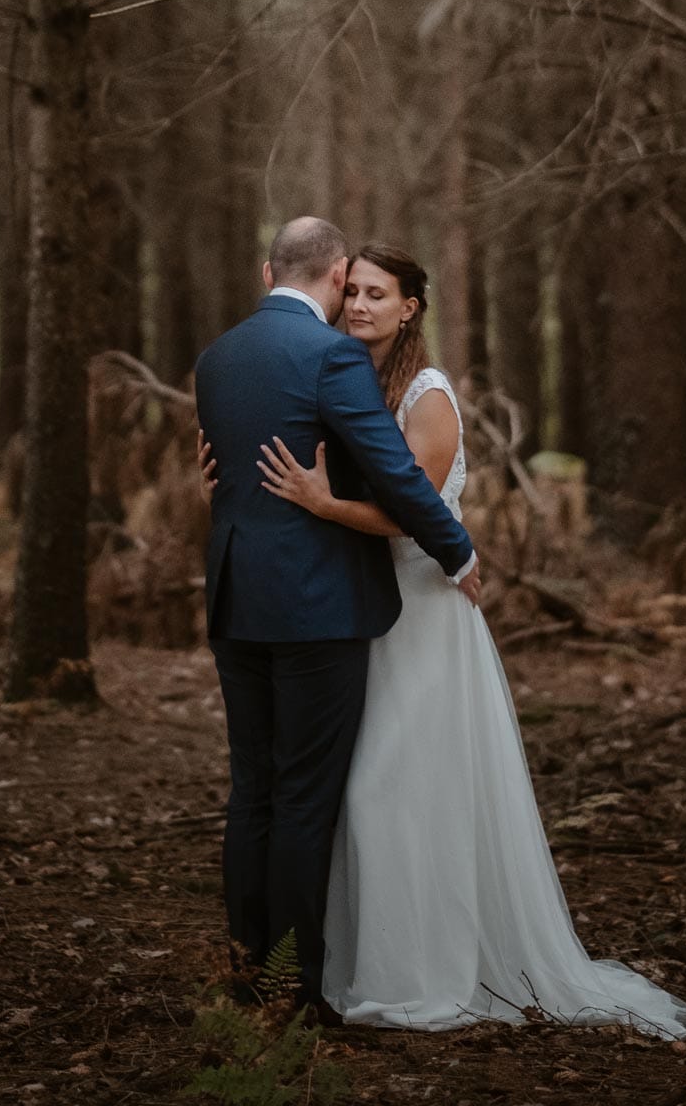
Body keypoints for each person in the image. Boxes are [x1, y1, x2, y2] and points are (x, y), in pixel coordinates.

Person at [252, 241, 686, 1038]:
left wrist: (322, 506)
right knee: (362, 798)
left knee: (399, 793)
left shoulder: (426, 395)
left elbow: (413, 513)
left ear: (409, 307)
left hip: (422, 613)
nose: (357, 306)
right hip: (359, 614)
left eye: (376, 295)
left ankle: (429, 972)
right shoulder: (339, 377)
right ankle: (363, 966)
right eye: (350, 291)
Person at [193, 216, 482, 1018]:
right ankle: (295, 989)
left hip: (235, 595)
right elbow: (395, 475)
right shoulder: (330, 357)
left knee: (252, 789)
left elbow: (225, 472)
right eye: (347, 286)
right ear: (329, 279)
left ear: (265, 272)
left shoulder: (217, 357)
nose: (352, 303)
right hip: (316, 605)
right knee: (303, 800)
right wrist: (457, 552)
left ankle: (245, 972)